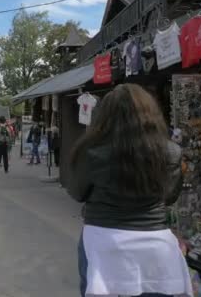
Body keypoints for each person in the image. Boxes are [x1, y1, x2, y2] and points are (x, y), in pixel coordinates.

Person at [68, 84, 191, 296]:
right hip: (155, 247)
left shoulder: (89, 151)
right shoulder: (171, 152)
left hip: (104, 244)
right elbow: (169, 197)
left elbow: (78, 193)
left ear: (103, 116)